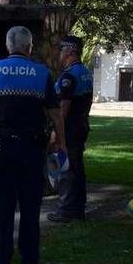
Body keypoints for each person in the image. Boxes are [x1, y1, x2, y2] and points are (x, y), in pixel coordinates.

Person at [0, 26, 66, 264]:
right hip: (32, 147)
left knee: (4, 205)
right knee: (31, 205)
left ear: (8, 46)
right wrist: (61, 142)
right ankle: (30, 259)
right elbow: (55, 113)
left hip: (1, 146)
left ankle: (0, 259)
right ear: (29, 48)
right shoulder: (42, 73)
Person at [47, 35, 93, 223]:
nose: (59, 54)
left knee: (65, 169)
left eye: (61, 50)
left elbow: (63, 110)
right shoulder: (85, 72)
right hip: (81, 126)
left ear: (69, 51)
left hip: (69, 129)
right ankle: (78, 209)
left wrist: (56, 134)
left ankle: (65, 211)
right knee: (77, 169)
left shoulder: (68, 77)